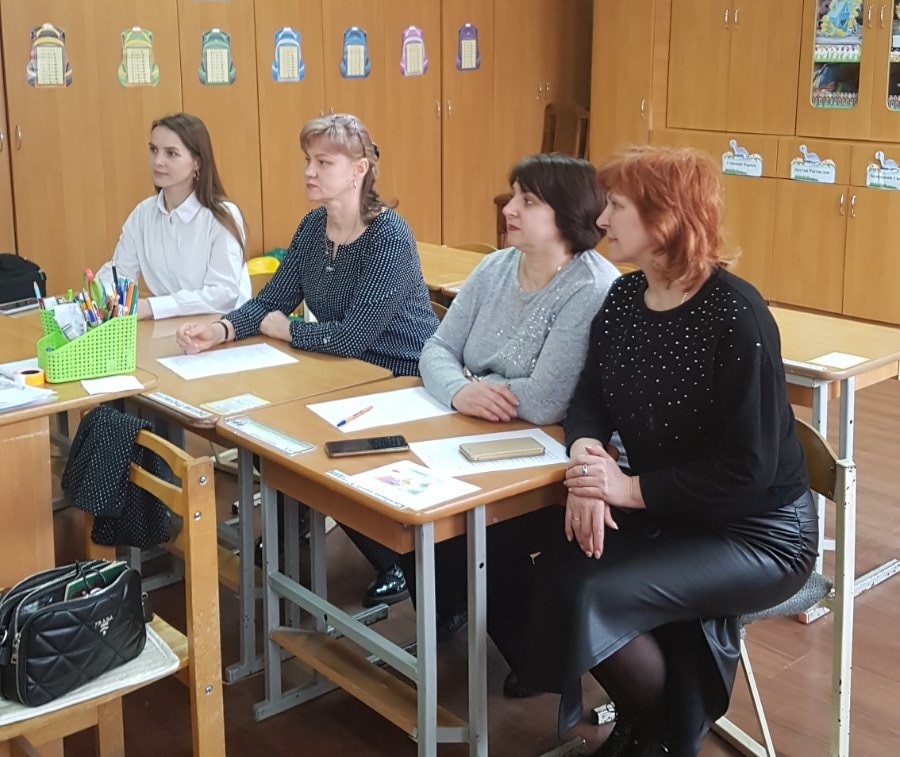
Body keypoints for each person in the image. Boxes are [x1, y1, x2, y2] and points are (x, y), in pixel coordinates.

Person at [489, 146, 817, 757]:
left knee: (588, 590)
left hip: (759, 531)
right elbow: (591, 398)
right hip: (670, 506)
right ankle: (651, 727)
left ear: (664, 220)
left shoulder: (736, 315)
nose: (602, 220)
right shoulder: (623, 299)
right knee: (555, 566)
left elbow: (748, 470)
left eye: (615, 206)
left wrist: (625, 489)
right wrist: (589, 465)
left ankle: (661, 736)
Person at [176, 113, 439, 606]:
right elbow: (272, 299)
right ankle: (288, 530)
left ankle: (395, 562)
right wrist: (221, 329)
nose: (309, 172)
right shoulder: (314, 226)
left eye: (323, 162)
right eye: (308, 160)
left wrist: (290, 329)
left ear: (359, 170)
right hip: (343, 373)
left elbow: (355, 336)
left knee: (325, 447)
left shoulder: (388, 235)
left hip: (402, 375)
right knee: (282, 432)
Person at [408, 152, 620, 638]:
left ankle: (518, 642)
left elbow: (547, 399)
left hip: (542, 452)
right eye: (514, 197)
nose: (508, 209)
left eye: (528, 201)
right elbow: (436, 348)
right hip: (471, 427)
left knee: (458, 528)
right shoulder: (495, 266)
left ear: (567, 214)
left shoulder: (591, 286)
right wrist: (460, 391)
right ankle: (449, 613)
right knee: (394, 501)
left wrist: (476, 389)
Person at [97, 112, 250, 320]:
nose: (158, 161)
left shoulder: (221, 216)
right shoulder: (143, 214)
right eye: (154, 150)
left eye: (171, 153)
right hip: (170, 326)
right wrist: (102, 294)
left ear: (197, 162)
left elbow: (223, 295)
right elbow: (120, 273)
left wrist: (152, 307)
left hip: (223, 328)